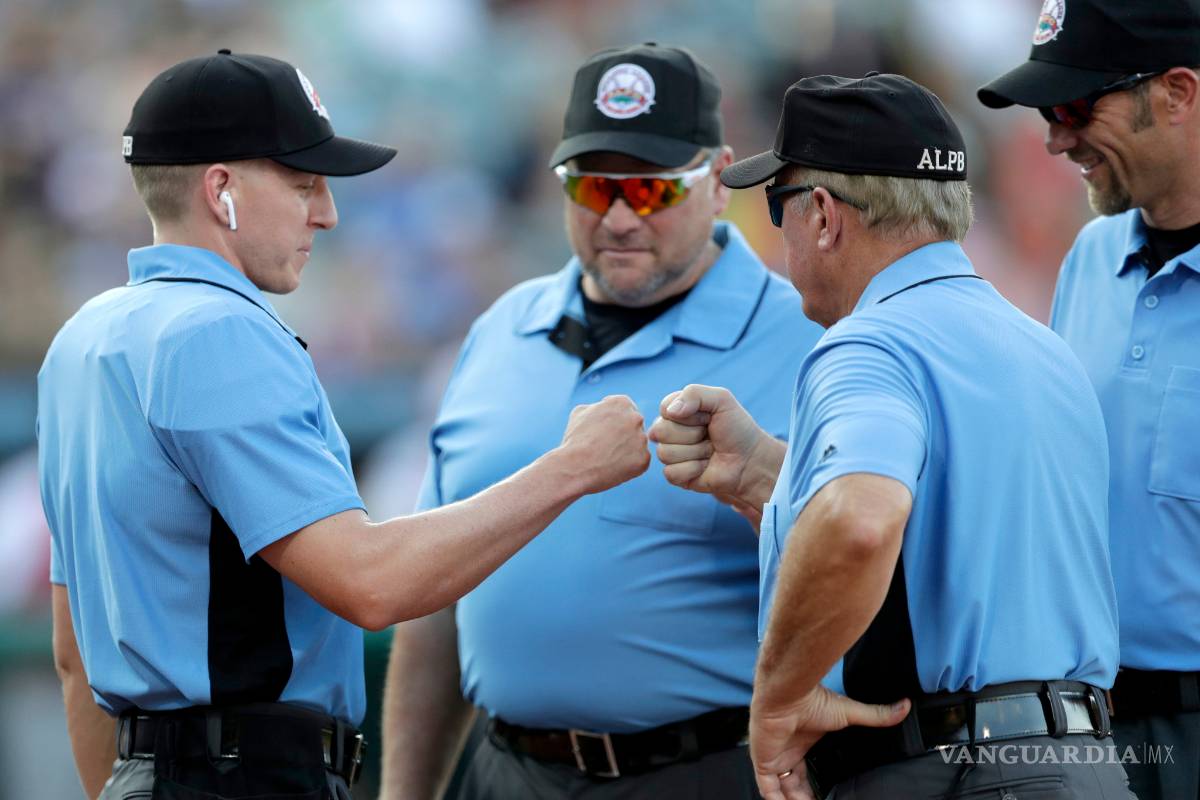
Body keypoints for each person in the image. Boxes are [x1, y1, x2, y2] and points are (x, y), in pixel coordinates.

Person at [38, 49, 650, 800]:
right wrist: (574, 468)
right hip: (246, 776)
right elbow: (371, 582)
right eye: (303, 184)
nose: (326, 212)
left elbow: (75, 659)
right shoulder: (216, 332)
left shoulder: (83, 338)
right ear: (220, 188)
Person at [650, 72, 1132, 800]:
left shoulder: (870, 345)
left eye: (778, 208)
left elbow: (860, 519)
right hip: (1082, 764)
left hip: (954, 768)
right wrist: (763, 474)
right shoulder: (1040, 344)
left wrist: (779, 698)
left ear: (821, 213)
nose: (779, 237)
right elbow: (956, 540)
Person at [379, 42, 822, 800]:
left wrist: (764, 482)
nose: (617, 217)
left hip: (703, 770)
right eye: (591, 188)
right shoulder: (502, 328)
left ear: (718, 182)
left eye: (648, 191)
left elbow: (880, 569)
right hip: (504, 771)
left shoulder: (807, 338)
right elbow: (436, 604)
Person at [978, 2, 1200, 797]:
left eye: (1075, 108)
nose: (1055, 139)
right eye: (1047, 112)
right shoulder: (1093, 255)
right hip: (1083, 726)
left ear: (1177, 92)